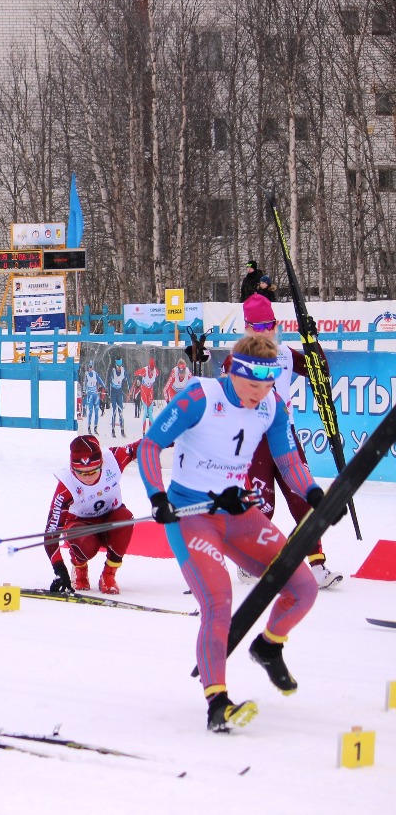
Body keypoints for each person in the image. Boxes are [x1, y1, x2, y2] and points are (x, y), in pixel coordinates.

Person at [139, 334, 326, 732]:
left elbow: (288, 456)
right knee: (218, 600)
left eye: (268, 383)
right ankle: (217, 702)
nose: (261, 393)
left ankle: (269, 645)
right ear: (235, 373)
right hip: (191, 515)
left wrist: (311, 492)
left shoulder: (271, 406)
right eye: (253, 384)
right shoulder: (200, 397)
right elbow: (151, 445)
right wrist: (157, 497)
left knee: (303, 588)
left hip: (237, 512)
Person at [223, 294, 340, 589]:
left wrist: (311, 341)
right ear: (247, 327)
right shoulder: (236, 357)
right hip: (253, 440)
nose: (264, 331)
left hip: (284, 435)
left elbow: (320, 372)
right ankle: (250, 559)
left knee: (302, 499)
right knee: (264, 507)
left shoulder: (285, 353)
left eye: (269, 324)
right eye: (258, 326)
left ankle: (316, 564)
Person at [43, 435, 141, 595]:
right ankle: (80, 568)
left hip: (111, 521)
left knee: (126, 519)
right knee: (80, 537)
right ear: (72, 468)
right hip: (83, 527)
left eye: (93, 471)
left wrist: (175, 436)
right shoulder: (66, 485)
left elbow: (145, 444)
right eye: (80, 473)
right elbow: (51, 533)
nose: (87, 477)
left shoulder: (114, 459)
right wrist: (59, 568)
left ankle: (108, 575)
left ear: (102, 464)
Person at [80, 363, 105, 435]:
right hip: (90, 395)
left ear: (92, 367)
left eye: (91, 367)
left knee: (96, 412)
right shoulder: (86, 374)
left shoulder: (95, 374)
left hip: (95, 395)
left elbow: (100, 380)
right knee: (90, 412)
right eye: (89, 367)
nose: (90, 368)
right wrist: (84, 391)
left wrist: (104, 387)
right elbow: (84, 383)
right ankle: (89, 428)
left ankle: (95, 428)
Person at [136, 357, 159, 433]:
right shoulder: (145, 370)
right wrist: (138, 374)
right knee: (145, 412)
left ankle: (151, 432)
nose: (152, 370)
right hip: (144, 391)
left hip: (150, 392)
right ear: (149, 367)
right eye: (151, 368)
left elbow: (158, 373)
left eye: (153, 368)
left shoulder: (156, 371)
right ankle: (143, 432)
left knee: (150, 414)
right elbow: (137, 372)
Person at [107, 358, 127, 438]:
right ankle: (113, 431)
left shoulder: (123, 370)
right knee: (114, 412)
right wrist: (109, 393)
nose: (119, 367)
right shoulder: (113, 371)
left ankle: (122, 431)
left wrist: (130, 390)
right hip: (114, 393)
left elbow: (127, 379)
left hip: (119, 393)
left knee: (121, 412)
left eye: (120, 366)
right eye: (118, 366)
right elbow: (108, 381)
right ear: (116, 365)